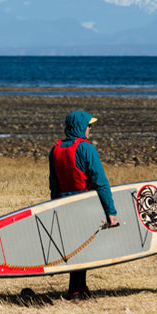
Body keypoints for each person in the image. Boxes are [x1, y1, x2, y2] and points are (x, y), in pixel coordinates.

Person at [49, 110, 118, 300]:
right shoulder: (87, 149)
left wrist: (54, 208)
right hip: (84, 205)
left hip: (63, 205)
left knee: (77, 247)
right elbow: (100, 182)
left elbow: (53, 186)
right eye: (89, 125)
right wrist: (111, 212)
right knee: (83, 249)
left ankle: (80, 288)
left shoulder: (55, 150)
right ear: (80, 126)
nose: (90, 129)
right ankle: (75, 291)